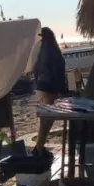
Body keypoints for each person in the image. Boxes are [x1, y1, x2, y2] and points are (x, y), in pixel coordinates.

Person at [33, 27, 67, 155]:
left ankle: (39, 147)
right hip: (50, 88)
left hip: (41, 88)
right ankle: (39, 148)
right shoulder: (54, 52)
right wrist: (62, 90)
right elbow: (58, 73)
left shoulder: (42, 53)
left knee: (44, 119)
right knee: (48, 120)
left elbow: (36, 70)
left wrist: (37, 83)